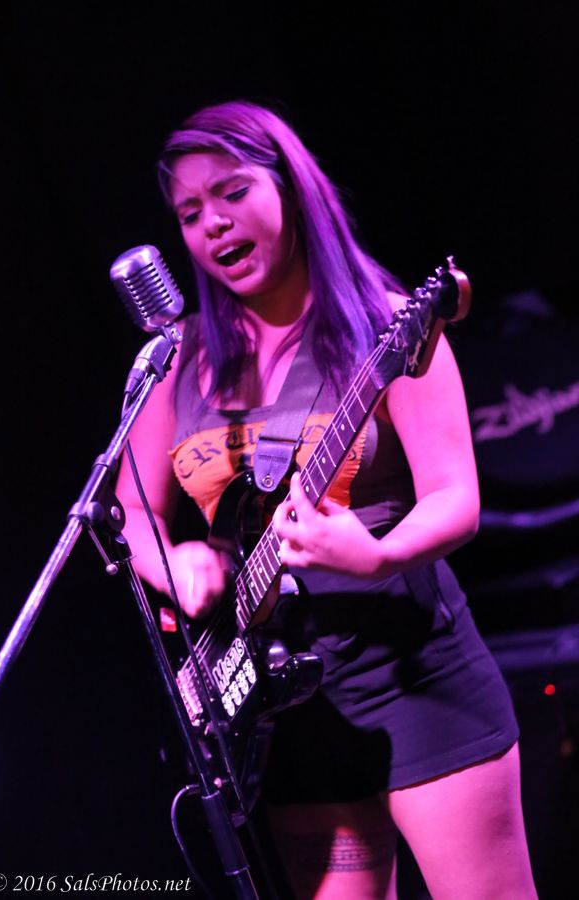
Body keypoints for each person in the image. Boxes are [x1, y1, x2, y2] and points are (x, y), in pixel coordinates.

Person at [115, 101, 537, 899]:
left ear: (291, 187)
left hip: (415, 679)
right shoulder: (179, 360)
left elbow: (455, 497)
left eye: (232, 191)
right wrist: (174, 563)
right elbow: (131, 511)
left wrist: (378, 555)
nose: (213, 223)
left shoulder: (386, 327)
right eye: (191, 212)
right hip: (286, 710)